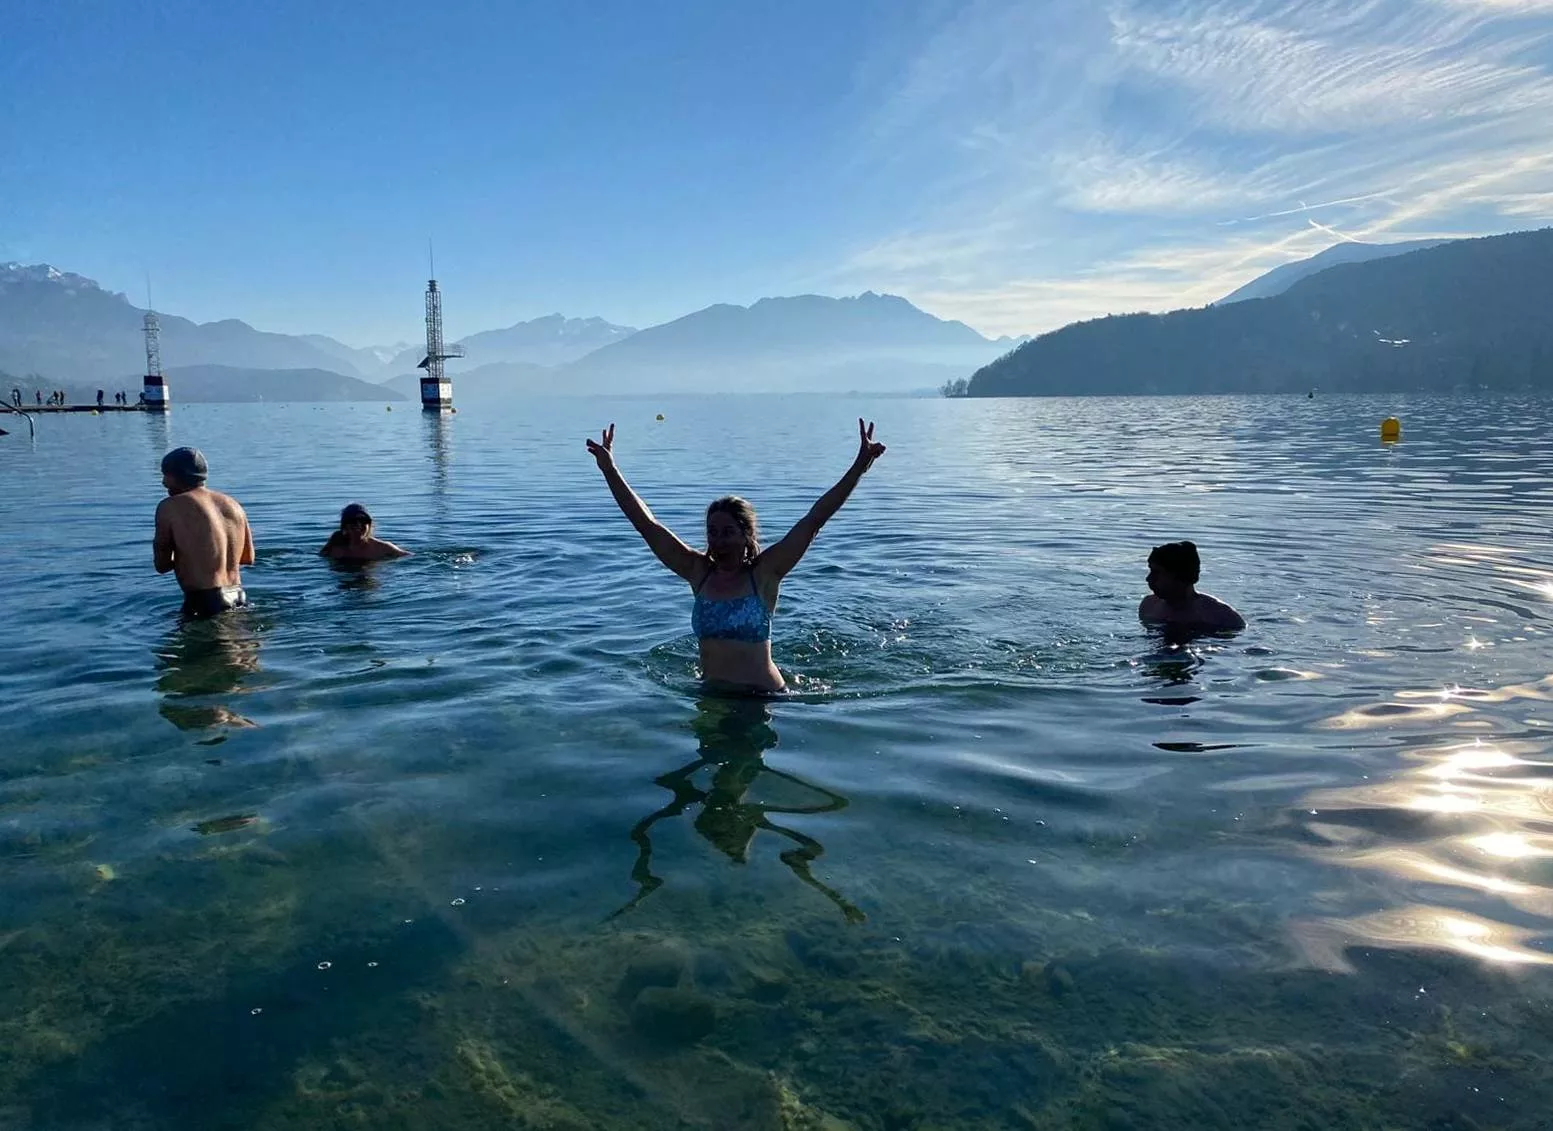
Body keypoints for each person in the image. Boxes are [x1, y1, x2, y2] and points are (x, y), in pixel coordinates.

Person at [586, 417, 886, 693]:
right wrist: (609, 469)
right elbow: (646, 524)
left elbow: (814, 520)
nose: (718, 540)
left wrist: (859, 466)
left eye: (727, 532)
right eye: (712, 532)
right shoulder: (698, 571)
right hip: (711, 696)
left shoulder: (764, 573)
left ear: (746, 536)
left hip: (763, 697)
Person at [154, 447, 255, 618]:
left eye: (166, 475)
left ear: (178, 475)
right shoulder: (232, 504)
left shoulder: (170, 506)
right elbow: (248, 558)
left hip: (204, 601)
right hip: (238, 596)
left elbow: (161, 565)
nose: (164, 482)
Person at [1139, 541, 1245, 633]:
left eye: (1156, 572)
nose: (1148, 579)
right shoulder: (1148, 606)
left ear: (1180, 576)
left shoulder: (1222, 617)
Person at [318, 503, 411, 562]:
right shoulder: (335, 545)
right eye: (353, 521)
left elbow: (410, 557)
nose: (358, 525)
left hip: (366, 581)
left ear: (370, 525)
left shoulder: (382, 548)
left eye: (363, 520)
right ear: (344, 526)